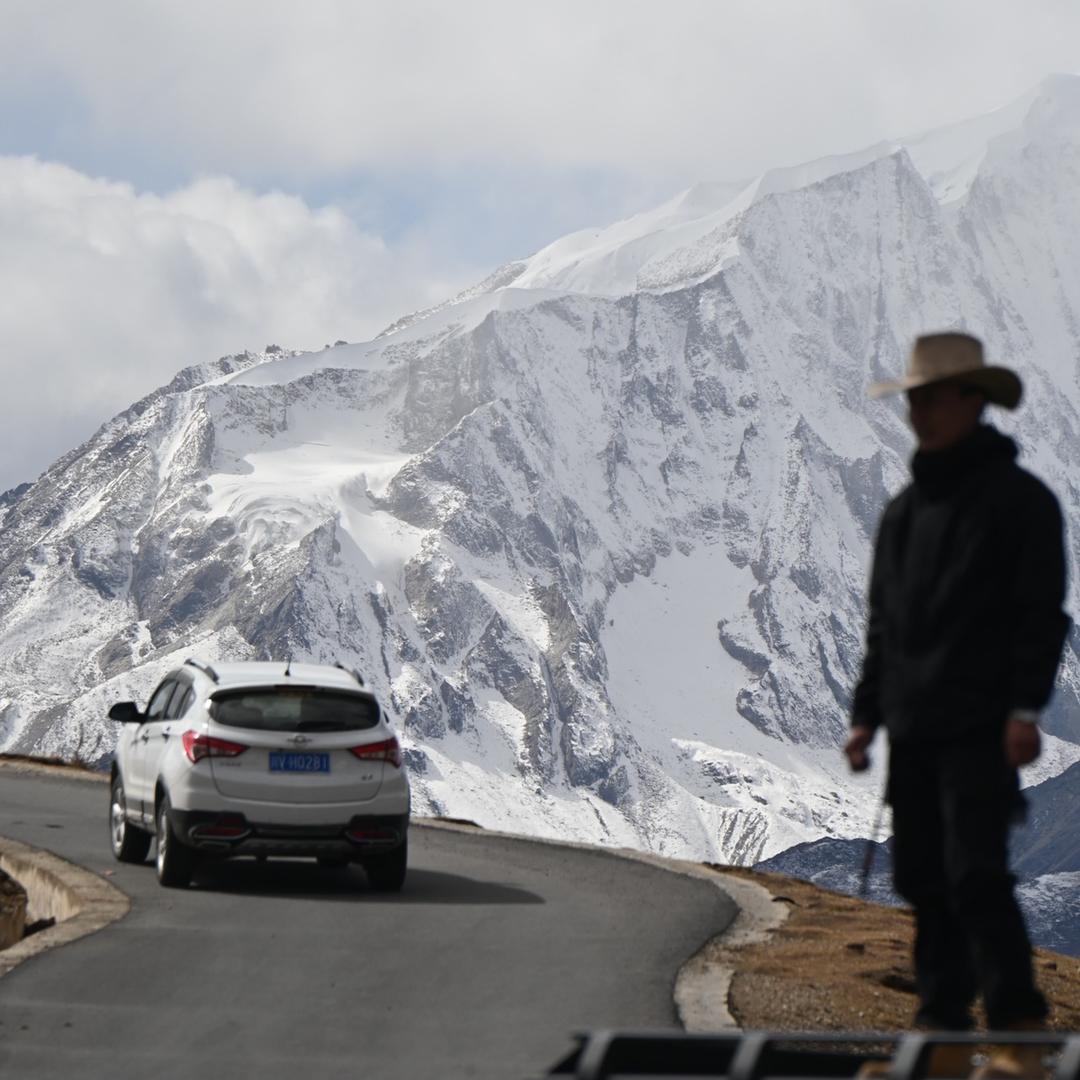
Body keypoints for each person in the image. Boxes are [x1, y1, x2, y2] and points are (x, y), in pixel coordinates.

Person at [845, 332, 1070, 1063]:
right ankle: (940, 1026)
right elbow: (886, 626)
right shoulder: (904, 515)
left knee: (974, 871)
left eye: (931, 398)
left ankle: (1017, 1028)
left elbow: (1041, 616)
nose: (919, 413)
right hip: (914, 725)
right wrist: (866, 715)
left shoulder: (1020, 503)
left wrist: (1025, 709)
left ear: (974, 401)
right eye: (913, 400)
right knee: (923, 876)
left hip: (979, 723)